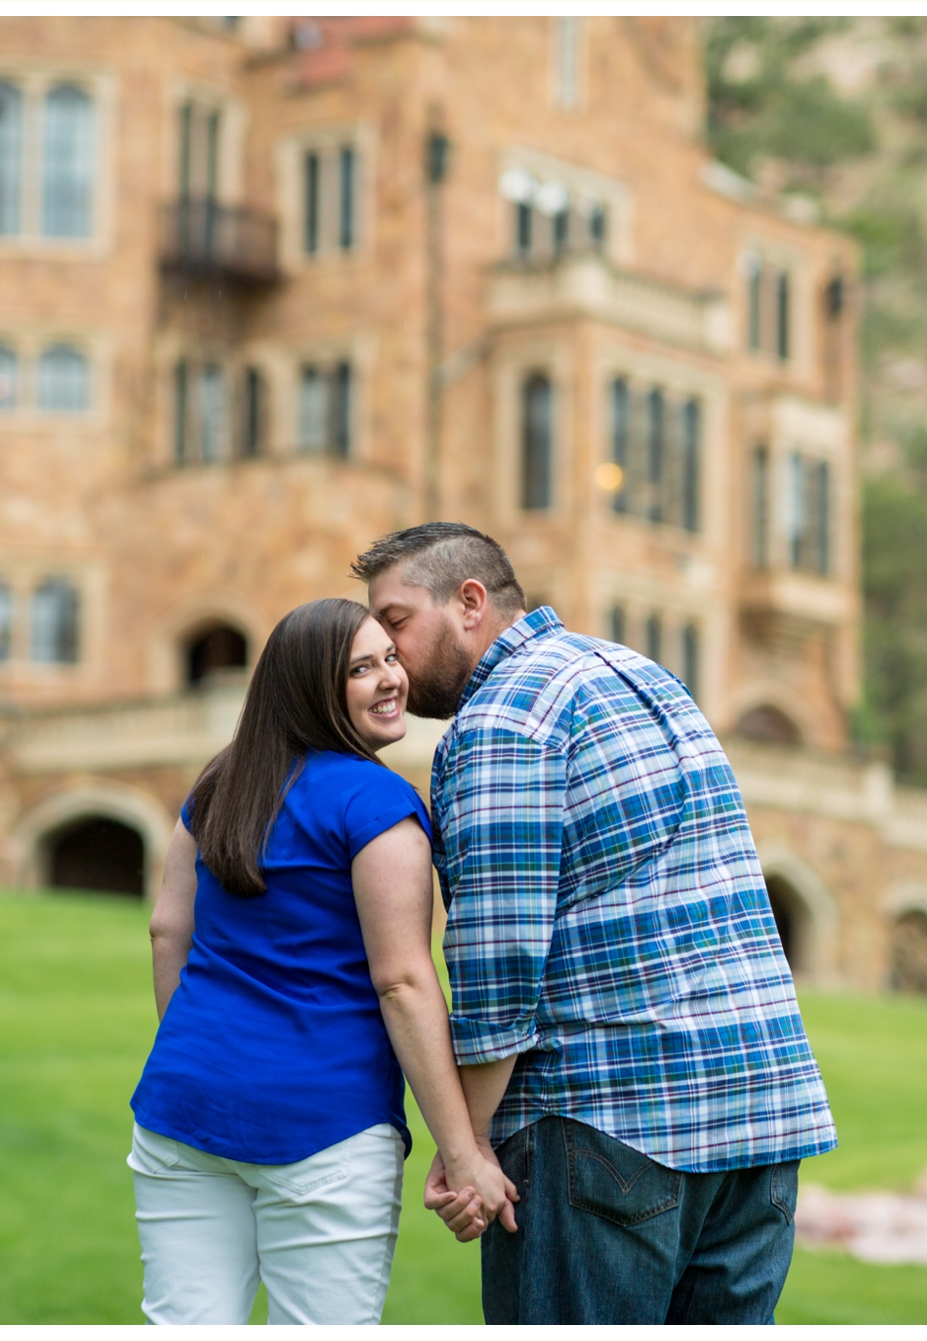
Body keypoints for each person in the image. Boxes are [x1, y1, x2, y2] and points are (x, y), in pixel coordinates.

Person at [353, 523, 838, 1325]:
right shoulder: (637, 671)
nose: (387, 649)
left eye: (397, 621)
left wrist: (464, 1145)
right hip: (761, 1119)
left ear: (470, 602)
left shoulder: (504, 720)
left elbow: (499, 966)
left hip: (605, 1125)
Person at [128, 597, 515, 1325]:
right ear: (311, 689)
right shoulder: (377, 803)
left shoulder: (216, 787)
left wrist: (200, 1057)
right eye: (361, 669)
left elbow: (165, 930)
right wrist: (462, 1152)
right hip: (324, 1128)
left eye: (390, 658)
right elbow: (402, 980)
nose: (390, 678)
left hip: (182, 1106)